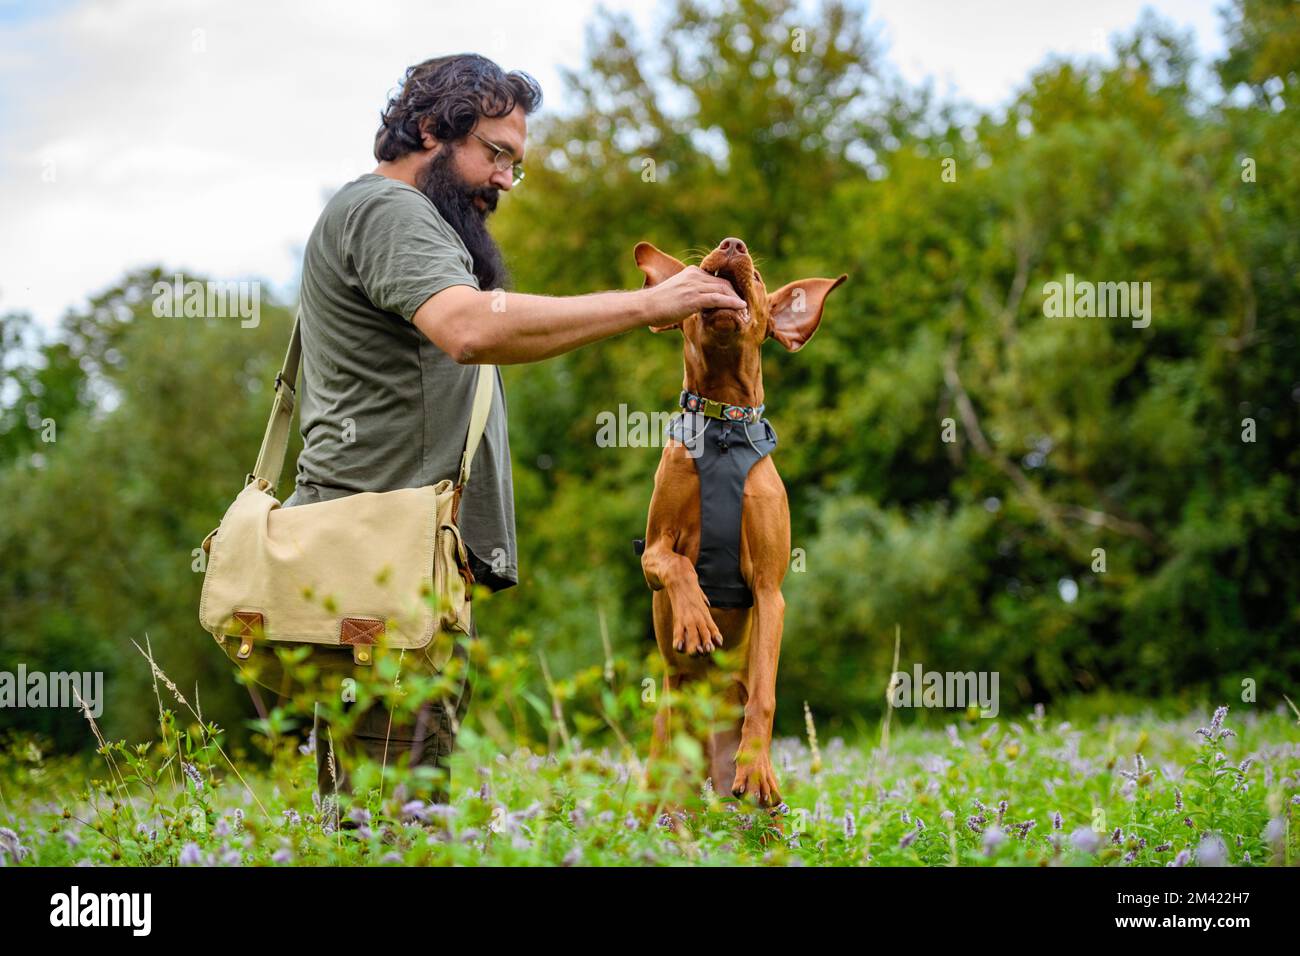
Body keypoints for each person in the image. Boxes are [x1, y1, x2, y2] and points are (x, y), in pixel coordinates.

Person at [280, 53, 747, 817]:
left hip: (389, 564)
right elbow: (468, 328)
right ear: (432, 128)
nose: (503, 179)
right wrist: (650, 306)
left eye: (515, 166)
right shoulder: (388, 211)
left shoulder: (394, 220)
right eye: (494, 153)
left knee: (380, 807)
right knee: (397, 817)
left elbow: (492, 332)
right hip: (377, 567)